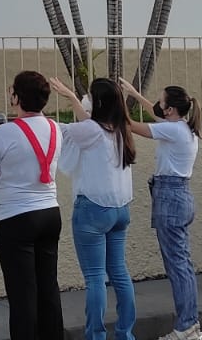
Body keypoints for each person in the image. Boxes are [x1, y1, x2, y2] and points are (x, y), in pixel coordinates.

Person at [51, 78, 139, 340]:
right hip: (120, 209)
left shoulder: (91, 130)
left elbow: (59, 131)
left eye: (89, 96)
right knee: (119, 273)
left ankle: (96, 336)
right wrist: (72, 98)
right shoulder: (121, 127)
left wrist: (64, 101)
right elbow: (87, 122)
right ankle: (125, 333)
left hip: (93, 209)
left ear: (98, 102)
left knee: (94, 278)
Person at [0, 71, 63, 340]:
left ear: (17, 97)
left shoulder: (5, 132)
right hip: (50, 212)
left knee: (22, 292)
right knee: (48, 287)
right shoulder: (55, 128)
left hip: (16, 217)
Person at [119, 80, 202, 340]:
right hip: (177, 196)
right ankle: (190, 326)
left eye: (161, 101)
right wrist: (135, 95)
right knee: (182, 264)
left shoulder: (173, 130)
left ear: (170, 110)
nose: (157, 104)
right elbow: (155, 113)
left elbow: (131, 126)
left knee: (178, 266)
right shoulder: (181, 127)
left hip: (171, 198)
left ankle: (187, 327)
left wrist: (117, 101)